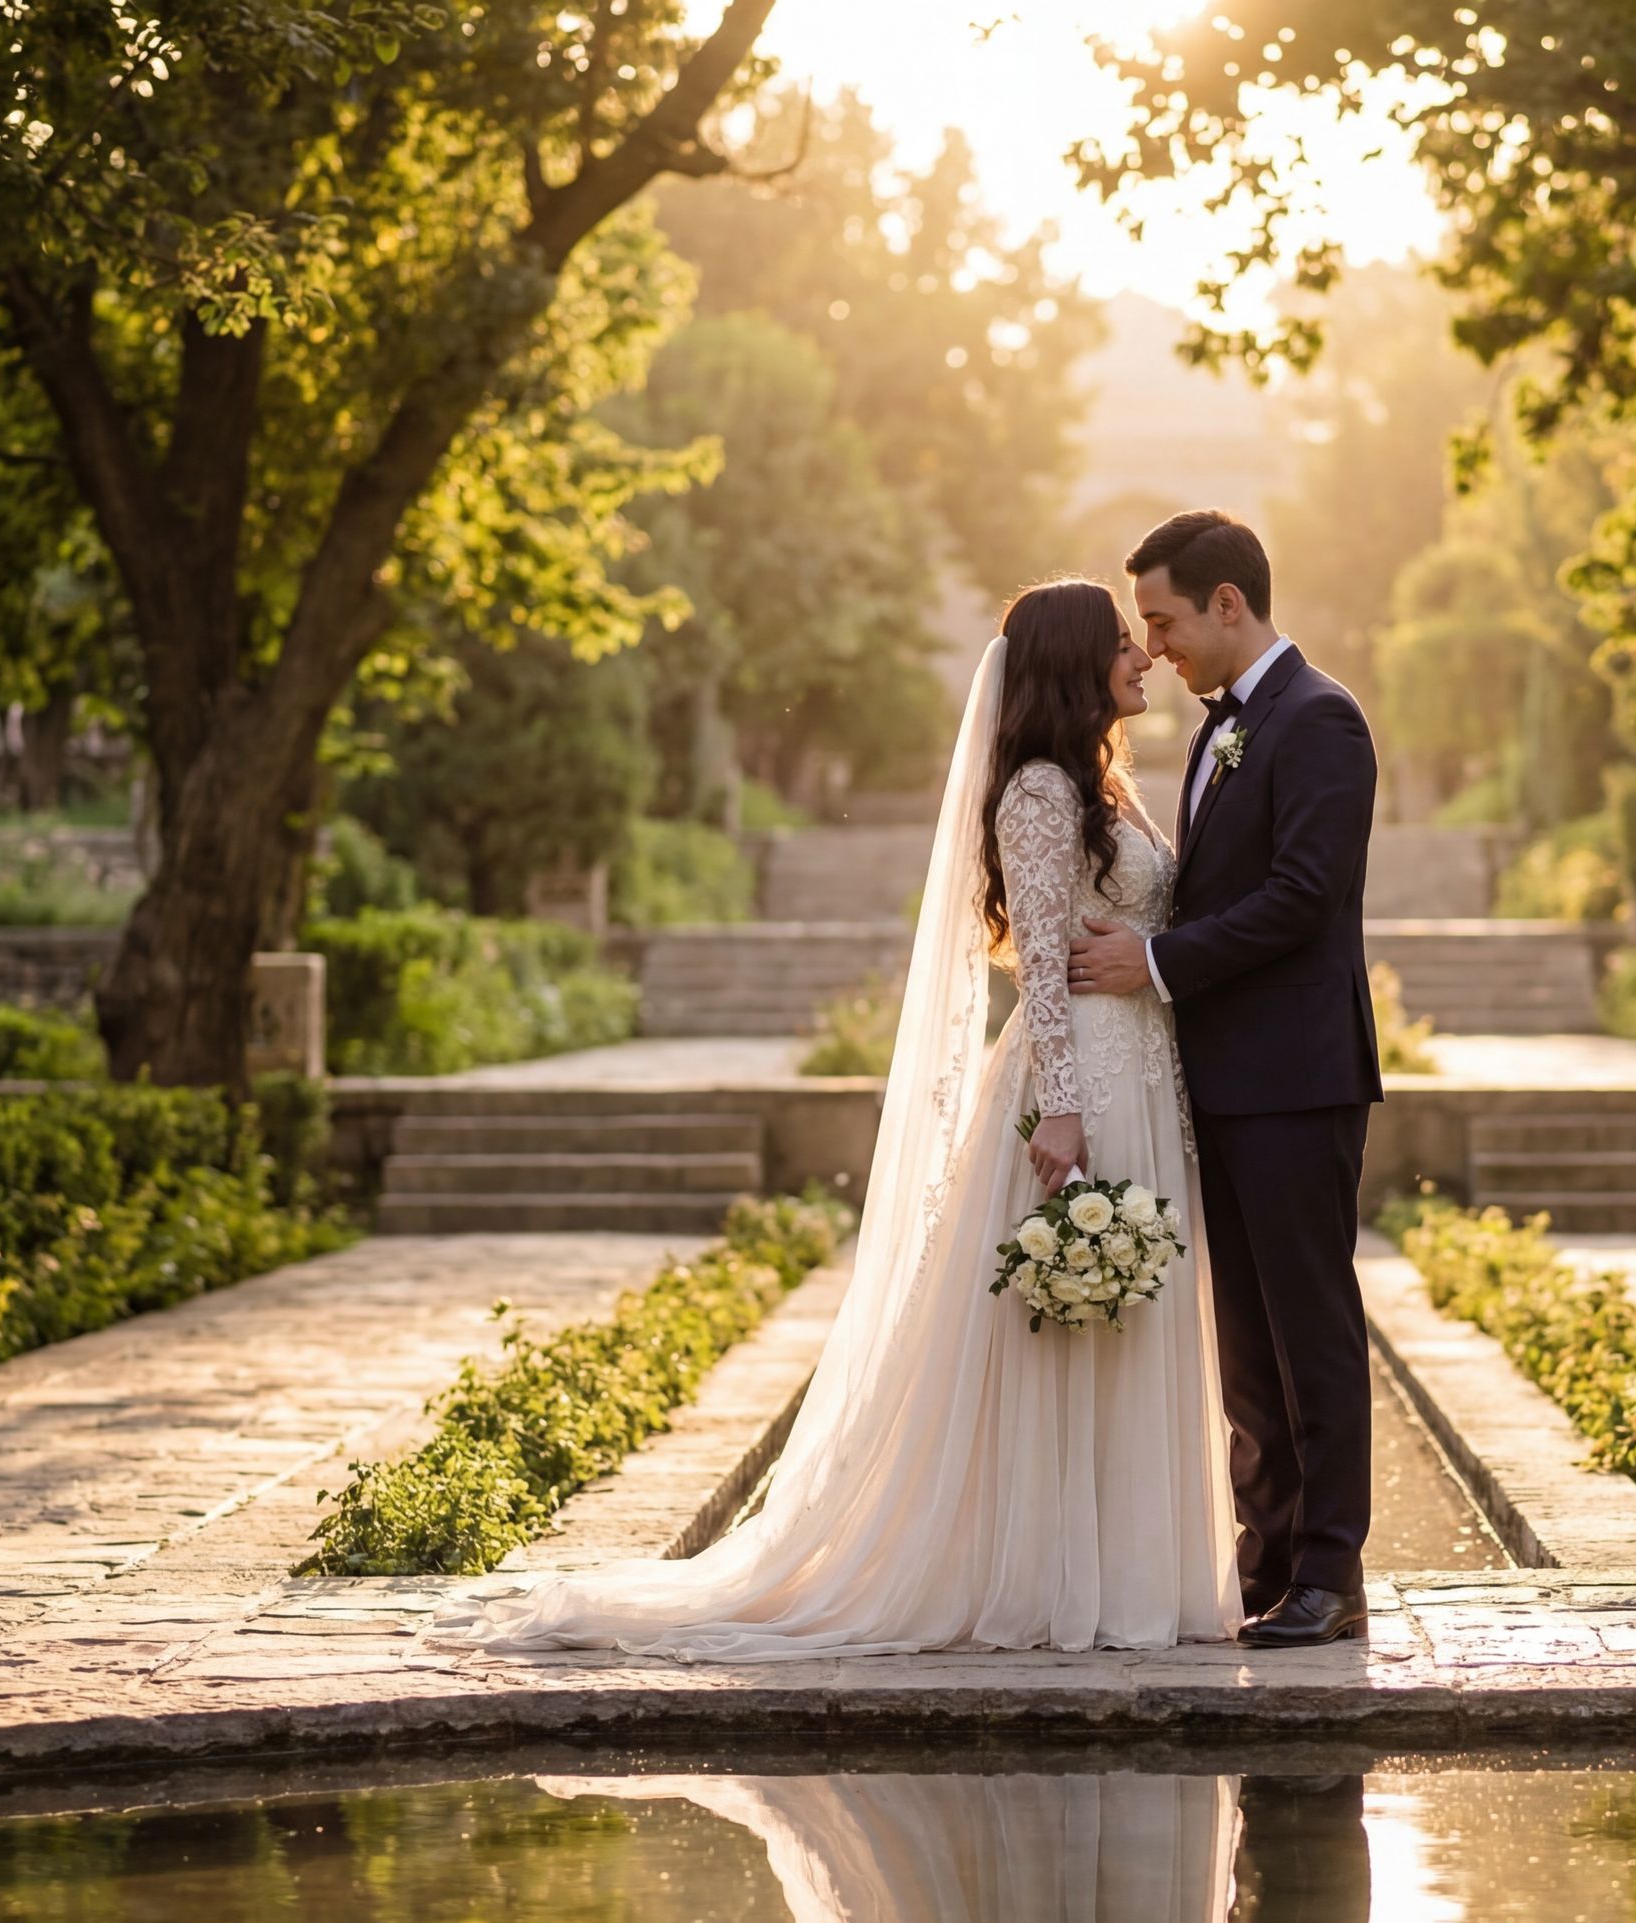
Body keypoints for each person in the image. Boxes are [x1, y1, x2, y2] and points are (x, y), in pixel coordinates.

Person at [430, 578, 1240, 1657]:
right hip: (1080, 1086)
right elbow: (1040, 964)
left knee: (1130, 1321)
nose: (1142, 656)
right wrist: (1066, 1112)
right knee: (1065, 1332)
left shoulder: (1105, 784)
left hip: (1142, 1071)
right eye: (1121, 644)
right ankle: (1056, 1582)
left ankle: (1134, 1575)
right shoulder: (1041, 793)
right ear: (1073, 661)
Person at [1069, 511, 1382, 1650]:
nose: (1154, 647)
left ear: (1229, 606)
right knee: (1248, 1342)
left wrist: (1152, 963)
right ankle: (1268, 1558)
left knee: (1310, 1327)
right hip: (1226, 1079)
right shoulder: (1222, 730)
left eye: (1163, 620)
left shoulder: (1320, 722)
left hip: (1298, 1077)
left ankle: (1330, 1571)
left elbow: (1304, 898)